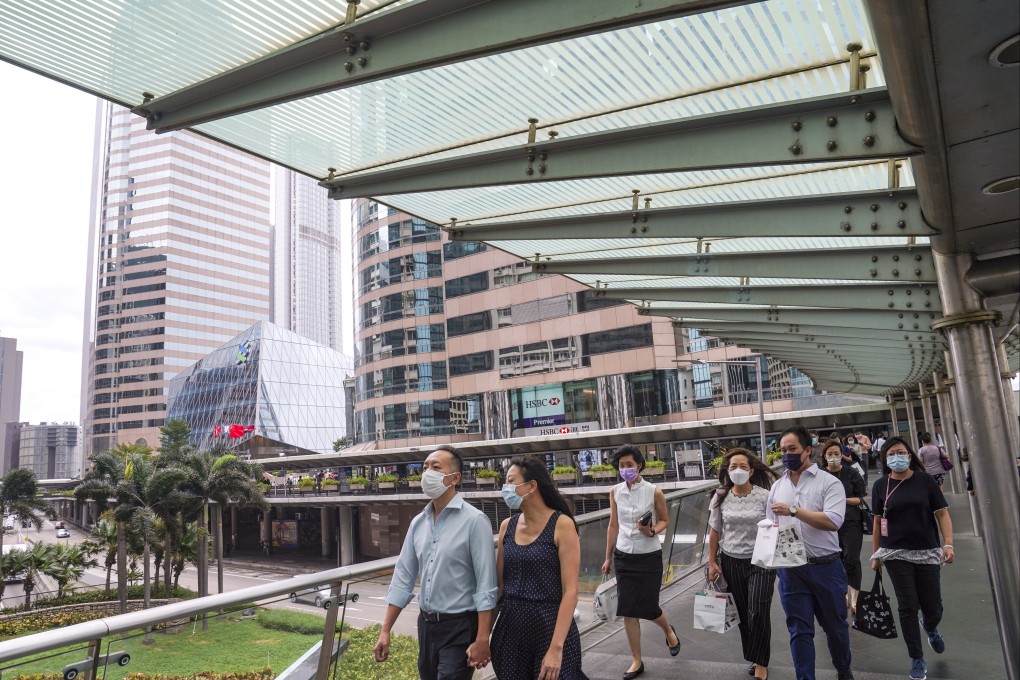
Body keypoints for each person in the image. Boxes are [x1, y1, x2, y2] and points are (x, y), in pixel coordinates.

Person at [375, 445, 498, 679]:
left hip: (460, 627)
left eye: (436, 467)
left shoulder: (475, 521)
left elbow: (486, 584)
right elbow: (403, 576)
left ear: (455, 478)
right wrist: (385, 630)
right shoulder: (418, 523)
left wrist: (483, 638)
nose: (427, 472)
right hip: (426, 626)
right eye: (425, 467)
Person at [767, 425, 854, 680]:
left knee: (835, 627)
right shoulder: (777, 486)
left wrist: (794, 511)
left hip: (826, 567)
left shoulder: (829, 482)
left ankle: (843, 669)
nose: (787, 454)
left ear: (807, 450)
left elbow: (833, 521)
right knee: (799, 629)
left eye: (792, 449)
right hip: (791, 570)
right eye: (783, 450)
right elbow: (771, 524)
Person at [491, 457, 589, 680]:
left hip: (550, 626)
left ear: (531, 485)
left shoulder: (562, 525)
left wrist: (556, 648)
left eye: (511, 481)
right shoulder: (507, 526)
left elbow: (571, 591)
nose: (505, 488)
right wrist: (482, 635)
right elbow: (499, 587)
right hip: (510, 628)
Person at [870, 437, 954, 680]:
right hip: (895, 553)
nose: (896, 457)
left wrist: (948, 544)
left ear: (909, 456)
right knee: (907, 606)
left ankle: (930, 625)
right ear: (885, 459)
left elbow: (942, 514)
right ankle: (917, 658)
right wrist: (876, 555)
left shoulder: (925, 481)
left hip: (927, 551)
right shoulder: (880, 485)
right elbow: (877, 522)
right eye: (891, 454)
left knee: (933, 606)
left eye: (900, 452)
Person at [602, 444, 681, 679]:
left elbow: (664, 520)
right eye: (621, 465)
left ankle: (668, 630)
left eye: (629, 464)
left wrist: (652, 531)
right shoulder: (615, 491)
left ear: (639, 465)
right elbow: (613, 525)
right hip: (623, 555)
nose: (625, 469)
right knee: (628, 609)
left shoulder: (653, 491)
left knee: (649, 607)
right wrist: (608, 557)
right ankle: (636, 660)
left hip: (649, 556)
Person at [707, 448, 779, 680]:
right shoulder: (720, 496)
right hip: (731, 561)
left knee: (758, 610)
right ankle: (754, 657)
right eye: (733, 467)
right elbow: (715, 530)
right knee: (743, 614)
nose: (738, 470)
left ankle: (761, 663)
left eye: (743, 467)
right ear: (727, 471)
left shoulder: (765, 496)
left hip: (761, 561)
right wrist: (712, 562)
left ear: (752, 471)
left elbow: (776, 526)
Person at [821, 439, 866, 615]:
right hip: (828, 524)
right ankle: (842, 593)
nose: (833, 457)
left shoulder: (852, 472)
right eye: (830, 454)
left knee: (852, 559)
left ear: (842, 455)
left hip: (851, 521)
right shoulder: (820, 475)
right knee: (836, 560)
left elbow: (860, 498)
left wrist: (841, 499)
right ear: (824, 456)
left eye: (836, 454)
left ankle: (855, 595)